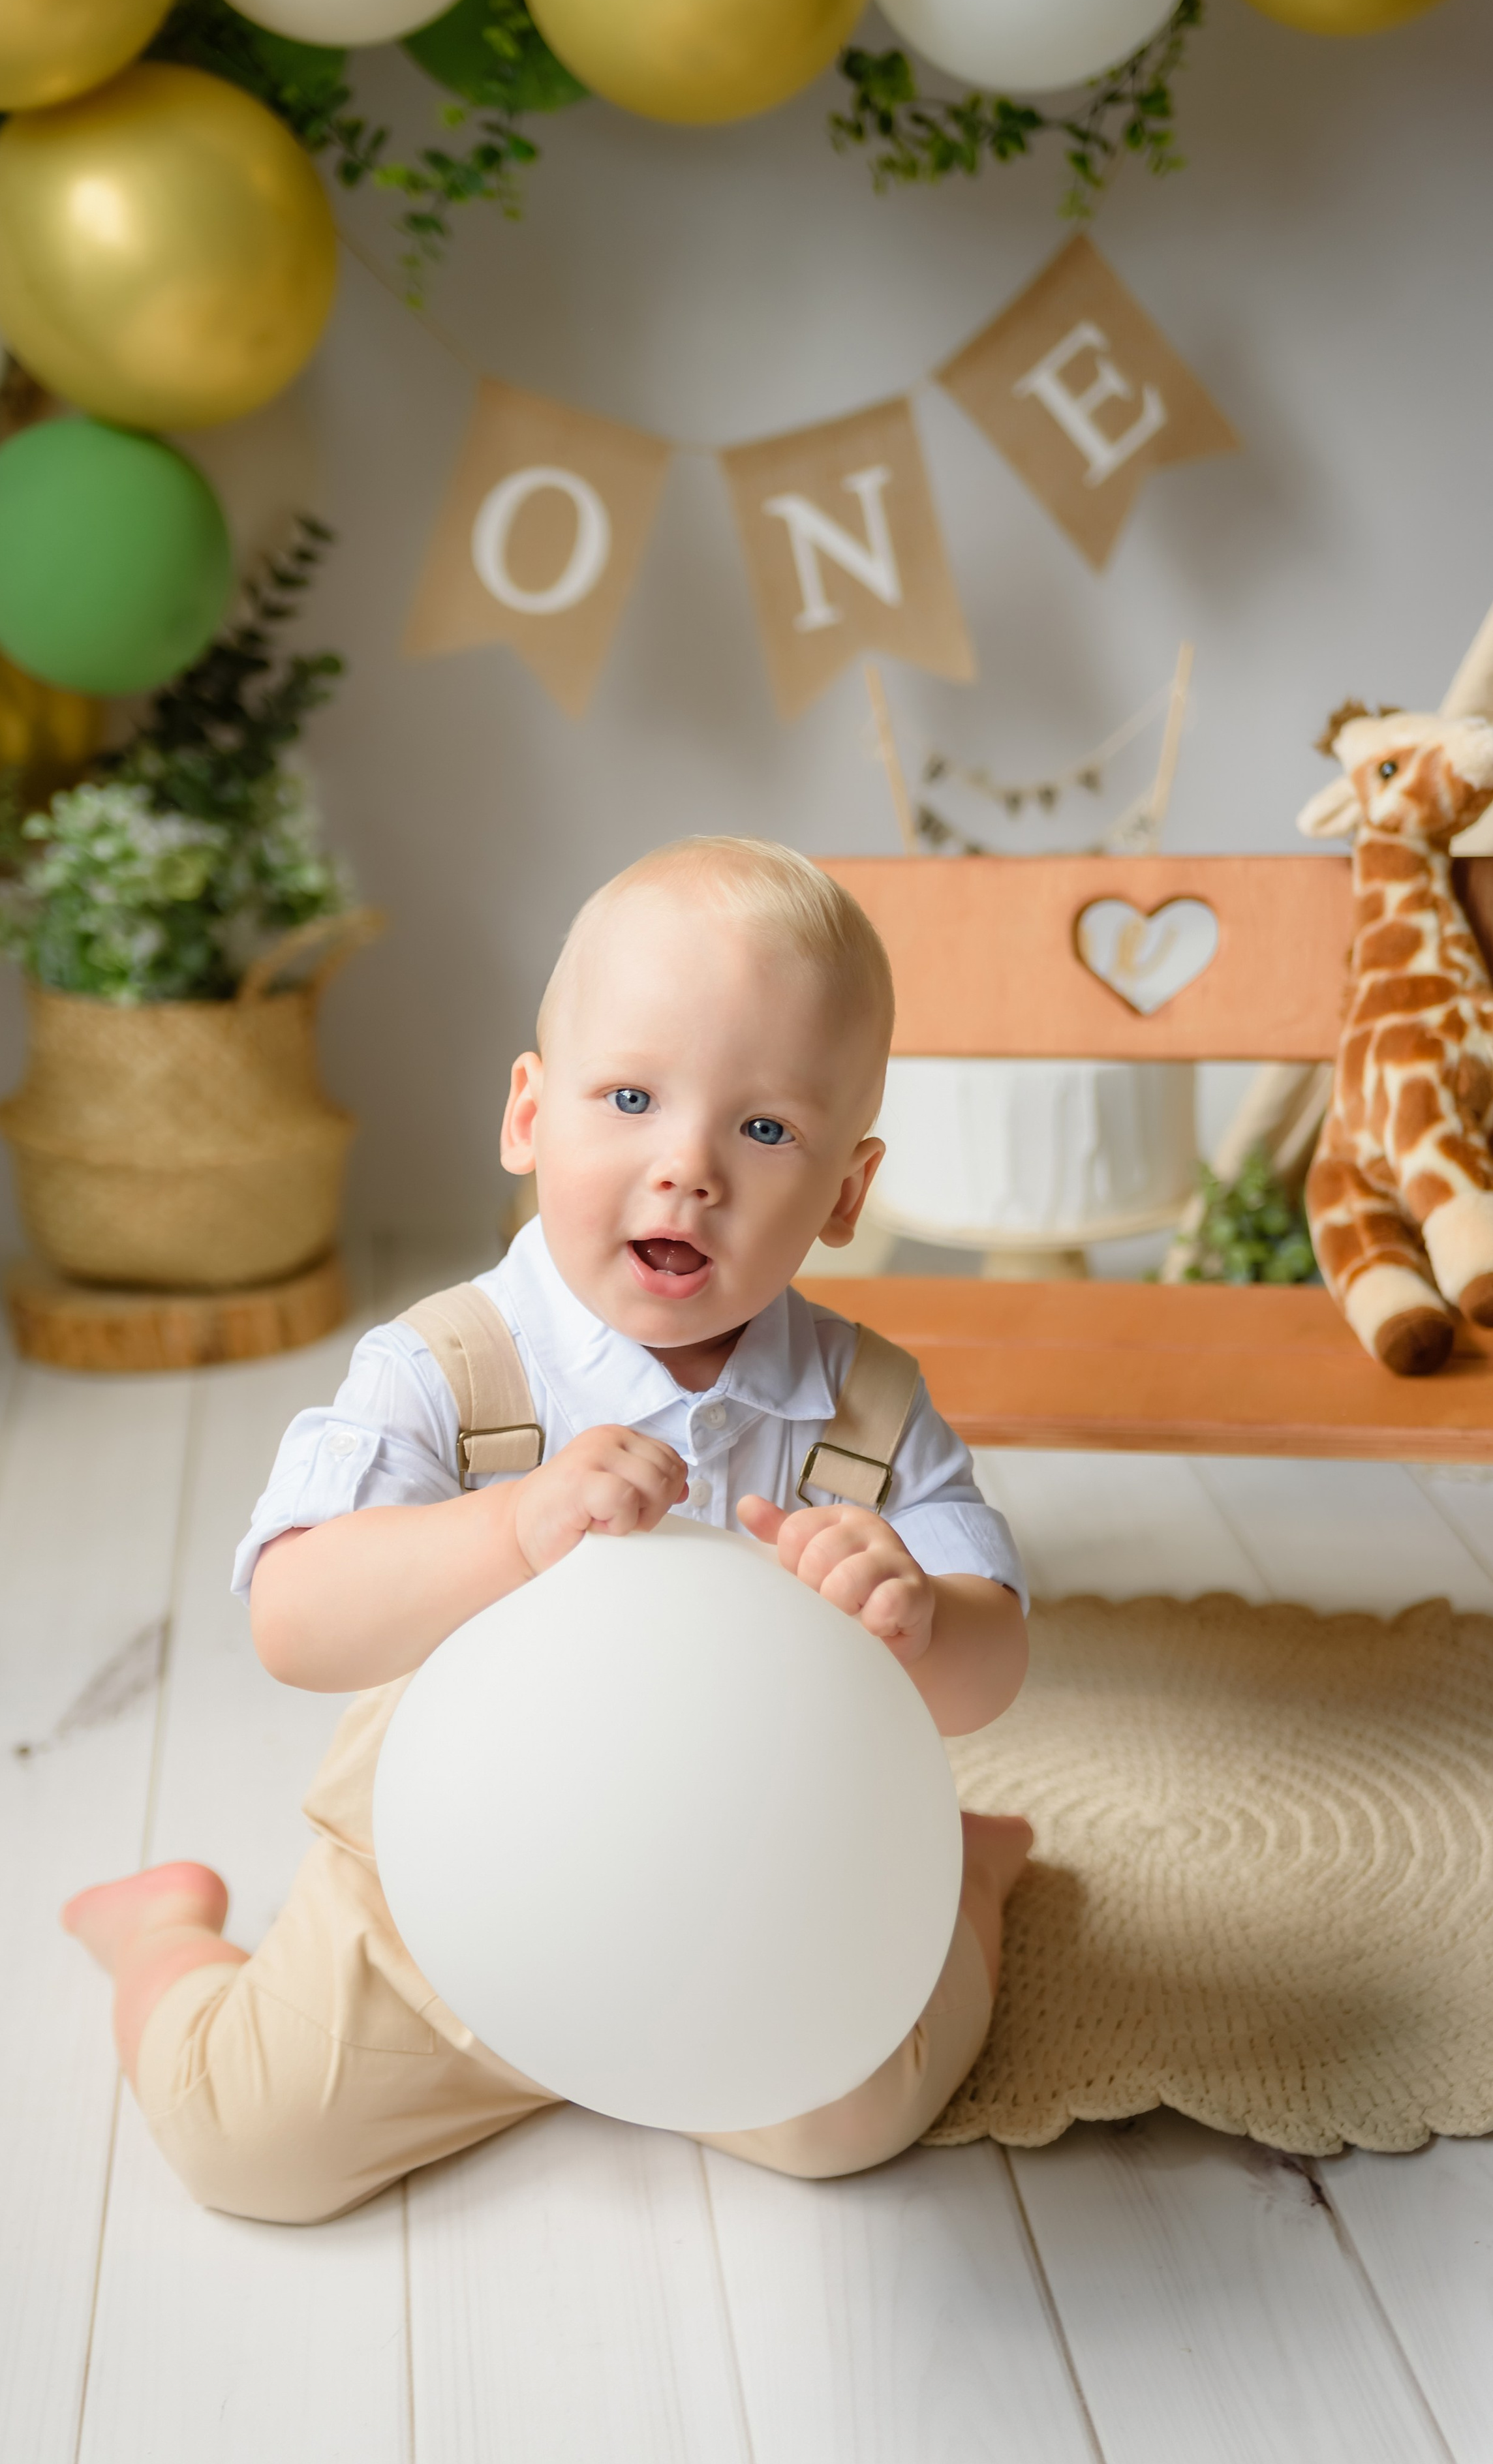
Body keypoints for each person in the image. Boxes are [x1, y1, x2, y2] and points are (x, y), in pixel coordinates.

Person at [63, 836, 1033, 2221]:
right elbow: (292, 1615)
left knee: (853, 2115)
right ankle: (160, 1934)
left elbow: (995, 1660)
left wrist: (919, 1618)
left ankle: (970, 1886)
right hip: (444, 1897)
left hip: (734, 1897)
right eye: (629, 1097)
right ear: (528, 1115)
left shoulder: (859, 1405)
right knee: (249, 2144)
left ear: (843, 1193)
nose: (684, 1166)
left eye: (762, 1129)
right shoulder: (447, 1368)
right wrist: (507, 1529)